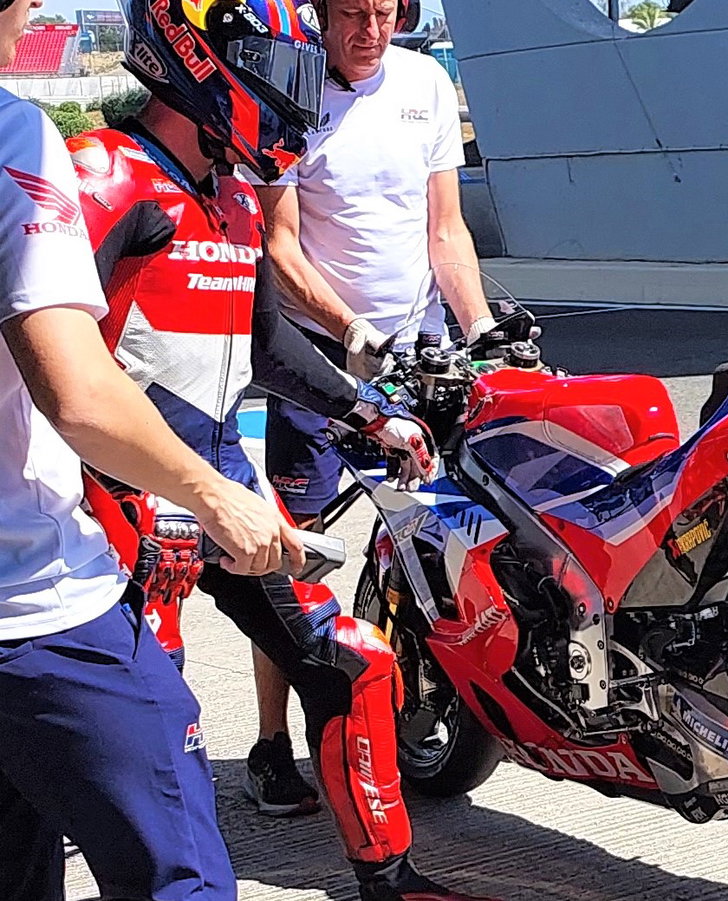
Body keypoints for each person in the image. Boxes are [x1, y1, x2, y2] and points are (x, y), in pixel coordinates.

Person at [72, 1, 494, 899]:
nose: (297, 94)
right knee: (163, 724)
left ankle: (390, 879)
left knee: (355, 660)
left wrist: (369, 411)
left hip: (225, 496)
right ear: (198, 53)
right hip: (117, 518)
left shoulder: (228, 198)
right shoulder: (106, 177)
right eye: (281, 66)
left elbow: (267, 344)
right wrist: (111, 507)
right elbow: (38, 368)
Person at [0, 0, 298, 895]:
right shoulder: (71, 155)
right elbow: (78, 390)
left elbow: (267, 335)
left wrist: (371, 386)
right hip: (72, 561)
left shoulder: (235, 194)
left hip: (163, 488)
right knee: (179, 871)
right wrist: (209, 493)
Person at [244, 0, 498, 807]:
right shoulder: (288, 91)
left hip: (417, 355)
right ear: (319, 14)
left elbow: (445, 230)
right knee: (296, 552)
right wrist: (350, 330)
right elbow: (279, 246)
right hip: (319, 361)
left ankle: (433, 697)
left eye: (386, 11)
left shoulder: (424, 81)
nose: (372, 30)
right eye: (352, 12)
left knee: (454, 529)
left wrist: (481, 327)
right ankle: (271, 743)